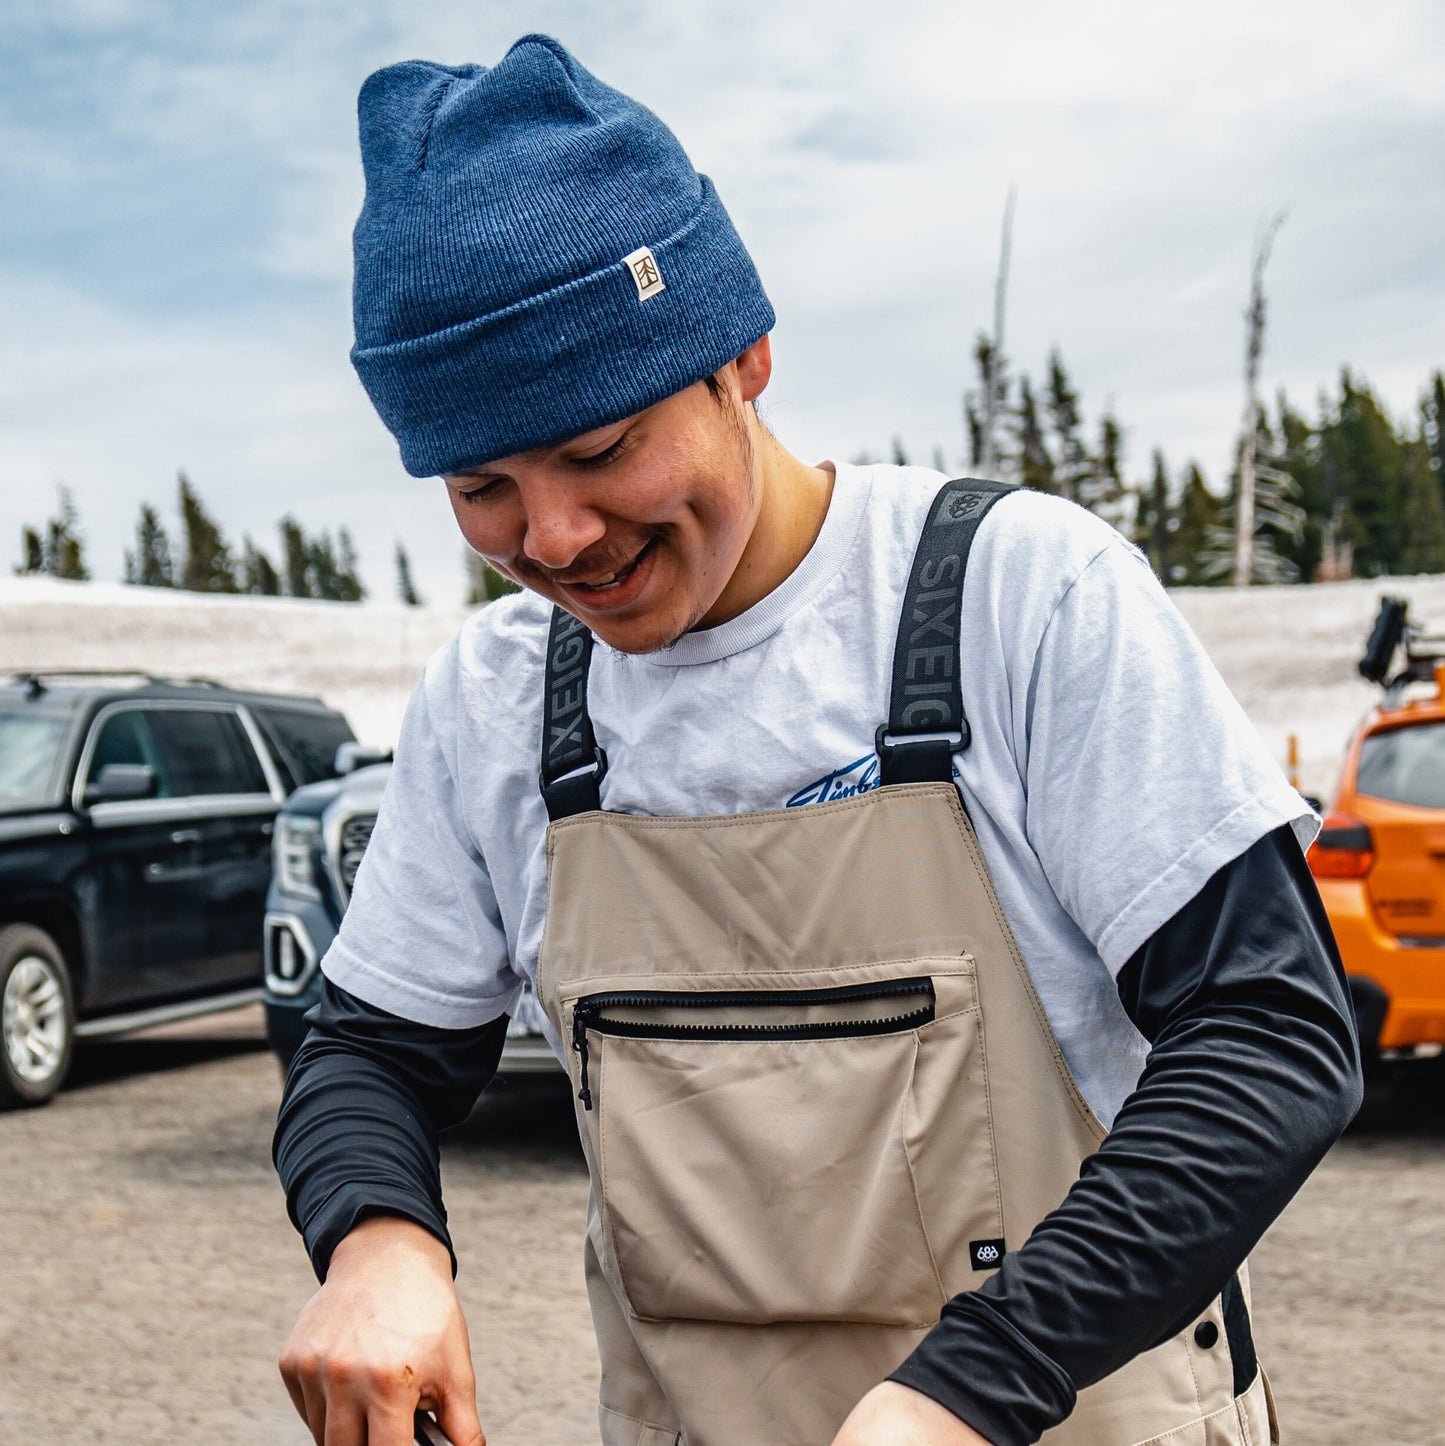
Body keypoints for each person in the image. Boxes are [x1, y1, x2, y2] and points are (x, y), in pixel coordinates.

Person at [273, 33, 1360, 1446]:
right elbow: (364, 1050)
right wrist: (377, 1241)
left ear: (744, 355)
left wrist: (964, 1390)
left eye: (601, 451)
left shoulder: (1014, 596)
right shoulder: (496, 700)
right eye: (481, 485)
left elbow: (1266, 1035)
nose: (551, 538)